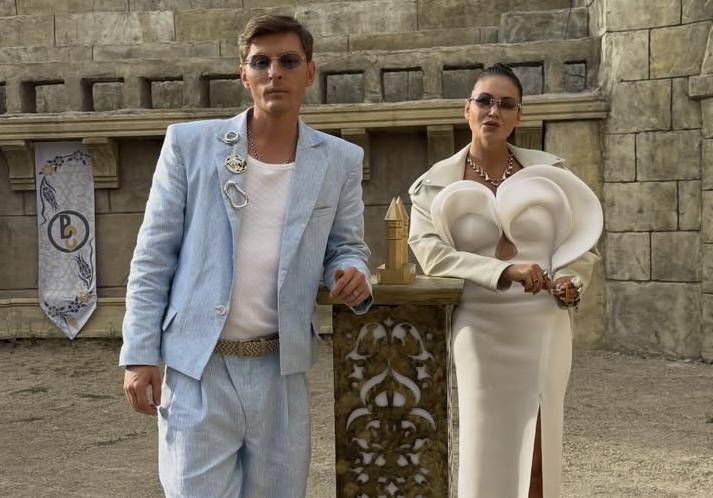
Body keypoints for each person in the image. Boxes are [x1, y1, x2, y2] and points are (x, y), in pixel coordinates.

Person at [120, 14, 373, 498]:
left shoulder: (340, 160)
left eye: (288, 61)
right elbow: (153, 255)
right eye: (261, 62)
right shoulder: (189, 145)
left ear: (309, 72)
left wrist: (351, 270)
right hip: (197, 368)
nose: (274, 72)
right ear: (244, 74)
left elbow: (346, 244)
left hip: (282, 370)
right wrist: (139, 353)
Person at [407, 63, 602, 498]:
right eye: (484, 101)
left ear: (519, 115)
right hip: (479, 326)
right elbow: (431, 254)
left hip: (543, 322)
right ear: (467, 109)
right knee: (485, 446)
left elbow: (579, 244)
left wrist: (570, 282)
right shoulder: (433, 185)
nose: (493, 111)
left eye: (506, 104)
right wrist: (503, 271)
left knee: (539, 448)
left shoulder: (553, 173)